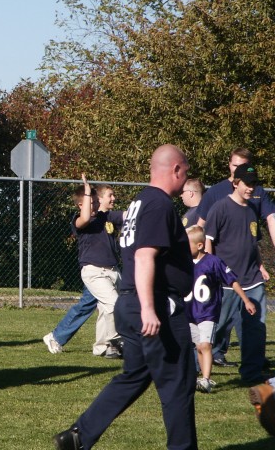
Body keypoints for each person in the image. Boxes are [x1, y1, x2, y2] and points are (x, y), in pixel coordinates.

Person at [53, 144, 197, 450]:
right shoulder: (158, 204)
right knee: (178, 385)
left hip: (129, 303)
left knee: (134, 376)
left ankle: (80, 435)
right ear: (175, 169)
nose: (187, 178)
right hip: (155, 305)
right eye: (185, 171)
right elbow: (145, 256)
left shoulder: (140, 203)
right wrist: (149, 308)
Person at [196, 148, 275, 367]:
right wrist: (210, 269)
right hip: (227, 279)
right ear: (235, 183)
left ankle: (252, 369)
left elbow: (253, 243)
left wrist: (260, 266)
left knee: (256, 326)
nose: (252, 188)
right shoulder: (219, 206)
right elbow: (207, 237)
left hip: (252, 278)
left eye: (254, 184)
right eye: (247, 184)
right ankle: (194, 365)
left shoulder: (251, 209)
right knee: (217, 325)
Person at [43, 182, 123, 358]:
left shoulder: (105, 217)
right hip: (94, 272)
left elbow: (128, 216)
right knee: (114, 305)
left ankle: (102, 347)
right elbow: (85, 218)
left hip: (112, 271)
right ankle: (114, 341)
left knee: (91, 306)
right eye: (91, 202)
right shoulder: (78, 220)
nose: (95, 205)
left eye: (96, 201)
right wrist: (87, 193)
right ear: (82, 204)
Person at [184, 225, 255, 393]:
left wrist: (246, 300)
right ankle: (203, 378)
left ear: (200, 245)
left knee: (206, 345)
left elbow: (232, 280)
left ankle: (206, 379)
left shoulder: (213, 262)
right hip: (190, 311)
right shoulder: (184, 262)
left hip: (208, 311)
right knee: (198, 347)